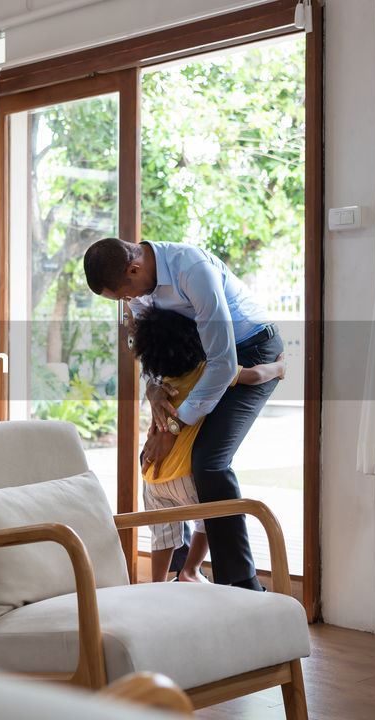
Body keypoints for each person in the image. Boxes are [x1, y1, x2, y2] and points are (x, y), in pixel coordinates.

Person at [84, 237, 283, 591]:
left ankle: (241, 584)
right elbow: (149, 347)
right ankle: (185, 572)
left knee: (208, 461)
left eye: (124, 296)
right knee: (165, 461)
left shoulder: (192, 270)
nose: (128, 303)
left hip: (249, 352)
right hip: (199, 357)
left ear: (134, 269)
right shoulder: (139, 288)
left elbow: (224, 365)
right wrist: (154, 389)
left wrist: (171, 427)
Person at [132, 308, 286, 583]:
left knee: (162, 535)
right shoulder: (206, 372)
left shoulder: (162, 386)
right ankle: (190, 570)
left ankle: (155, 585)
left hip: (153, 477)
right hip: (185, 475)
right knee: (208, 519)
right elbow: (253, 376)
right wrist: (278, 368)